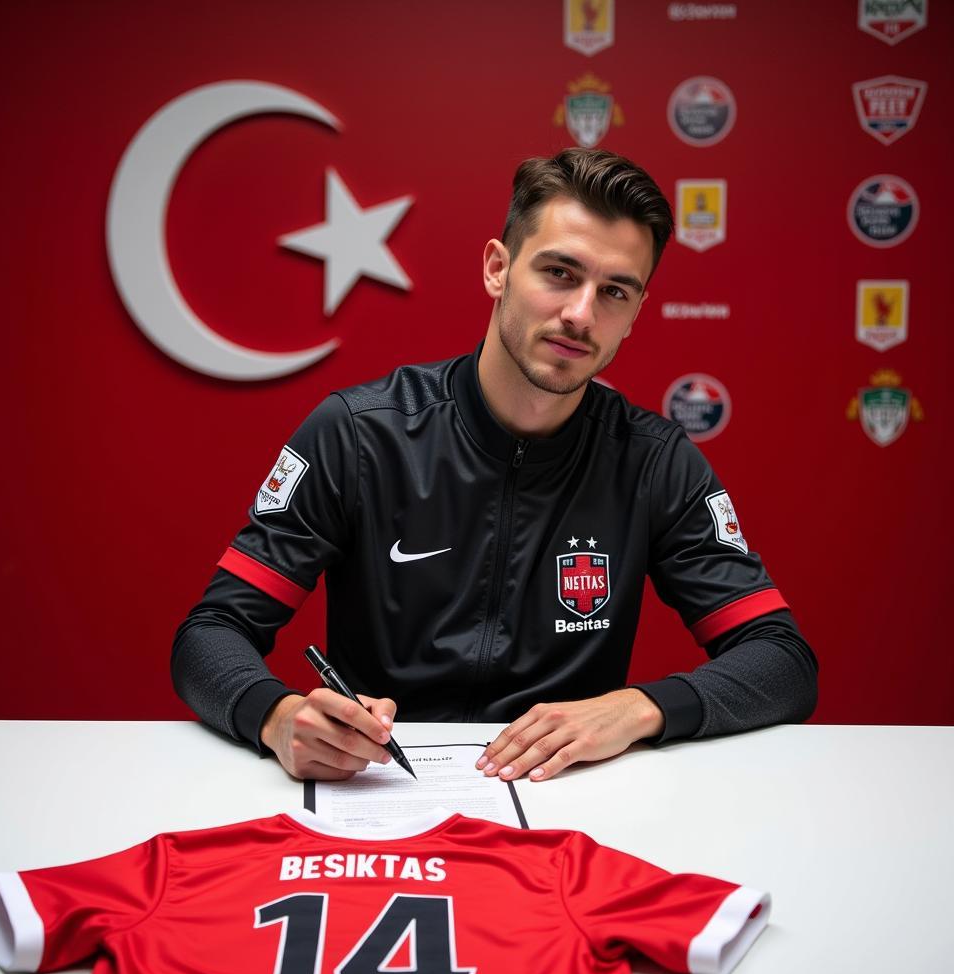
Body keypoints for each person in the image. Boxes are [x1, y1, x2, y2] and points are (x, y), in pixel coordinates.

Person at [172, 148, 817, 783]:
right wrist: (278, 718)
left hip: (566, 799)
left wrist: (638, 708)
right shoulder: (360, 434)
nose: (580, 314)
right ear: (497, 269)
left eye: (614, 291)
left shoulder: (653, 461)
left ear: (634, 317)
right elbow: (213, 632)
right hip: (379, 793)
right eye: (560, 273)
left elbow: (781, 660)